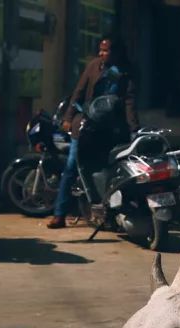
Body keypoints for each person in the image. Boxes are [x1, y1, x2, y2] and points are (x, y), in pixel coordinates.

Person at [48, 37, 138, 229]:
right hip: (85, 125)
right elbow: (78, 93)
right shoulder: (93, 67)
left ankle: (109, 213)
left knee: (111, 169)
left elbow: (130, 102)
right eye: (101, 50)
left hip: (110, 129)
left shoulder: (126, 73)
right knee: (72, 166)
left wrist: (133, 128)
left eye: (106, 50)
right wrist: (68, 117)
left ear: (117, 53)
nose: (101, 54)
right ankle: (59, 214)